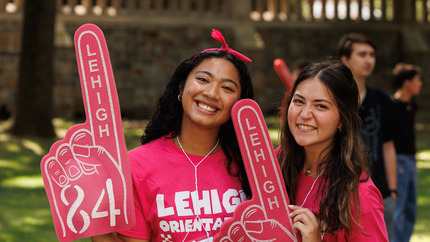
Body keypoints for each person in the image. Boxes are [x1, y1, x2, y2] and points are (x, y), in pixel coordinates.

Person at [92, 29, 254, 241]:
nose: (212, 93)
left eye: (227, 88)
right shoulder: (136, 166)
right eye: (203, 80)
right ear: (181, 85)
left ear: (240, 104)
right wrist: (96, 227)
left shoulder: (252, 166)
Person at [277, 61, 388, 241]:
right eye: (298, 101)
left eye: (320, 106)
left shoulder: (360, 198)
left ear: (342, 120)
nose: (304, 114)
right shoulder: (274, 163)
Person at [337, 33, 398, 240]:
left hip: (380, 191)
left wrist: (392, 190)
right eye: (362, 54)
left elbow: (388, 146)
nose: (368, 60)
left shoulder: (382, 100)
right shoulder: (333, 99)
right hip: (342, 190)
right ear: (345, 59)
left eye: (372, 54)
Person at [391, 63, 423, 242]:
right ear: (406, 82)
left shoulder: (412, 104)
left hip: (411, 161)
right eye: (417, 80)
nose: (420, 84)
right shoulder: (392, 105)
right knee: (399, 207)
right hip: (399, 161)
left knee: (411, 207)